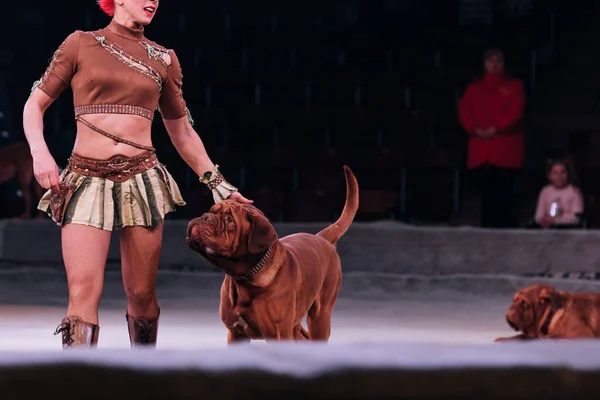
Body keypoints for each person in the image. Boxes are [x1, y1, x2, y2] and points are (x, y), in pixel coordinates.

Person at [23, 0, 252, 349]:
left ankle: (142, 371)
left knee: (142, 293)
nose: (154, 1)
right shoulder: (80, 43)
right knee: (83, 288)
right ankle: (76, 377)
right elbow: (34, 103)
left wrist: (217, 183)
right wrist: (40, 152)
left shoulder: (163, 58)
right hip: (86, 180)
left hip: (141, 181)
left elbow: (183, 132)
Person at [459, 48, 525, 228]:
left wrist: (496, 128)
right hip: (481, 149)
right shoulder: (474, 88)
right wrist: (476, 130)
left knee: (503, 194)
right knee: (484, 195)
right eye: (491, 60)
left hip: (504, 148)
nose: (495, 64)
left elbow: (515, 111)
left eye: (499, 60)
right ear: (484, 64)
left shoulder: (514, 86)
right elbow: (465, 112)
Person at [534, 158, 584, 229]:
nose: (559, 176)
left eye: (563, 172)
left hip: (568, 231)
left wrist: (556, 220)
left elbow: (577, 218)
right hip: (548, 231)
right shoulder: (545, 191)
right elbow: (538, 215)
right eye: (555, 173)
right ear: (550, 176)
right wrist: (543, 220)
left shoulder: (574, 191)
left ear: (567, 174)